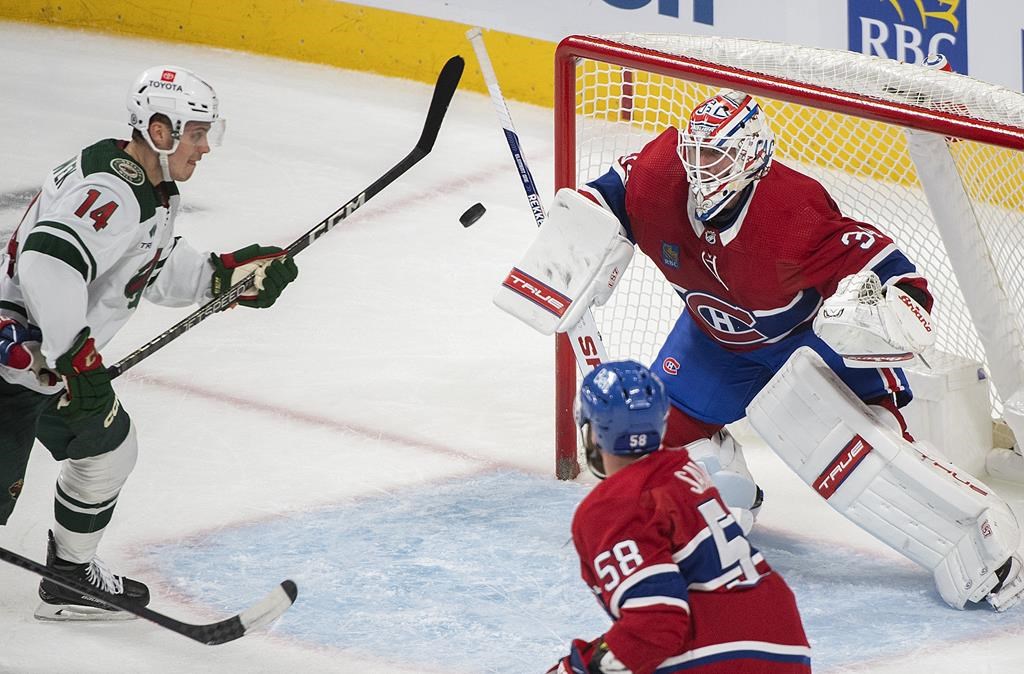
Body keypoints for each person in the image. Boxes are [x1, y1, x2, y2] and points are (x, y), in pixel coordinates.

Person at [564, 89, 1024, 612]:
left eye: (714, 157)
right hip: (715, 340)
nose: (698, 169)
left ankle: (986, 544)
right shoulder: (662, 178)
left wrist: (892, 305)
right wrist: (577, 230)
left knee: (872, 459)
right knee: (654, 440)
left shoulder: (791, 212)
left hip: (805, 347)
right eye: (694, 153)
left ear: (751, 157)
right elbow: (611, 193)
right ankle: (725, 496)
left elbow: (890, 269)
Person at [0, 65, 298, 620]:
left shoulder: (147, 187)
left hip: (46, 365)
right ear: (159, 131)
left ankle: (68, 579)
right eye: (196, 132)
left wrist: (220, 275)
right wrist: (76, 357)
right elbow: (47, 259)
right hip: (12, 359)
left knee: (109, 449)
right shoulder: (111, 188)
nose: (206, 146)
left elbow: (139, 270)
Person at [548, 360, 811, 674]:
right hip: (786, 643)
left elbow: (656, 623)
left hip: (720, 653)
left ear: (592, 433)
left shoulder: (614, 503)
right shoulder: (686, 473)